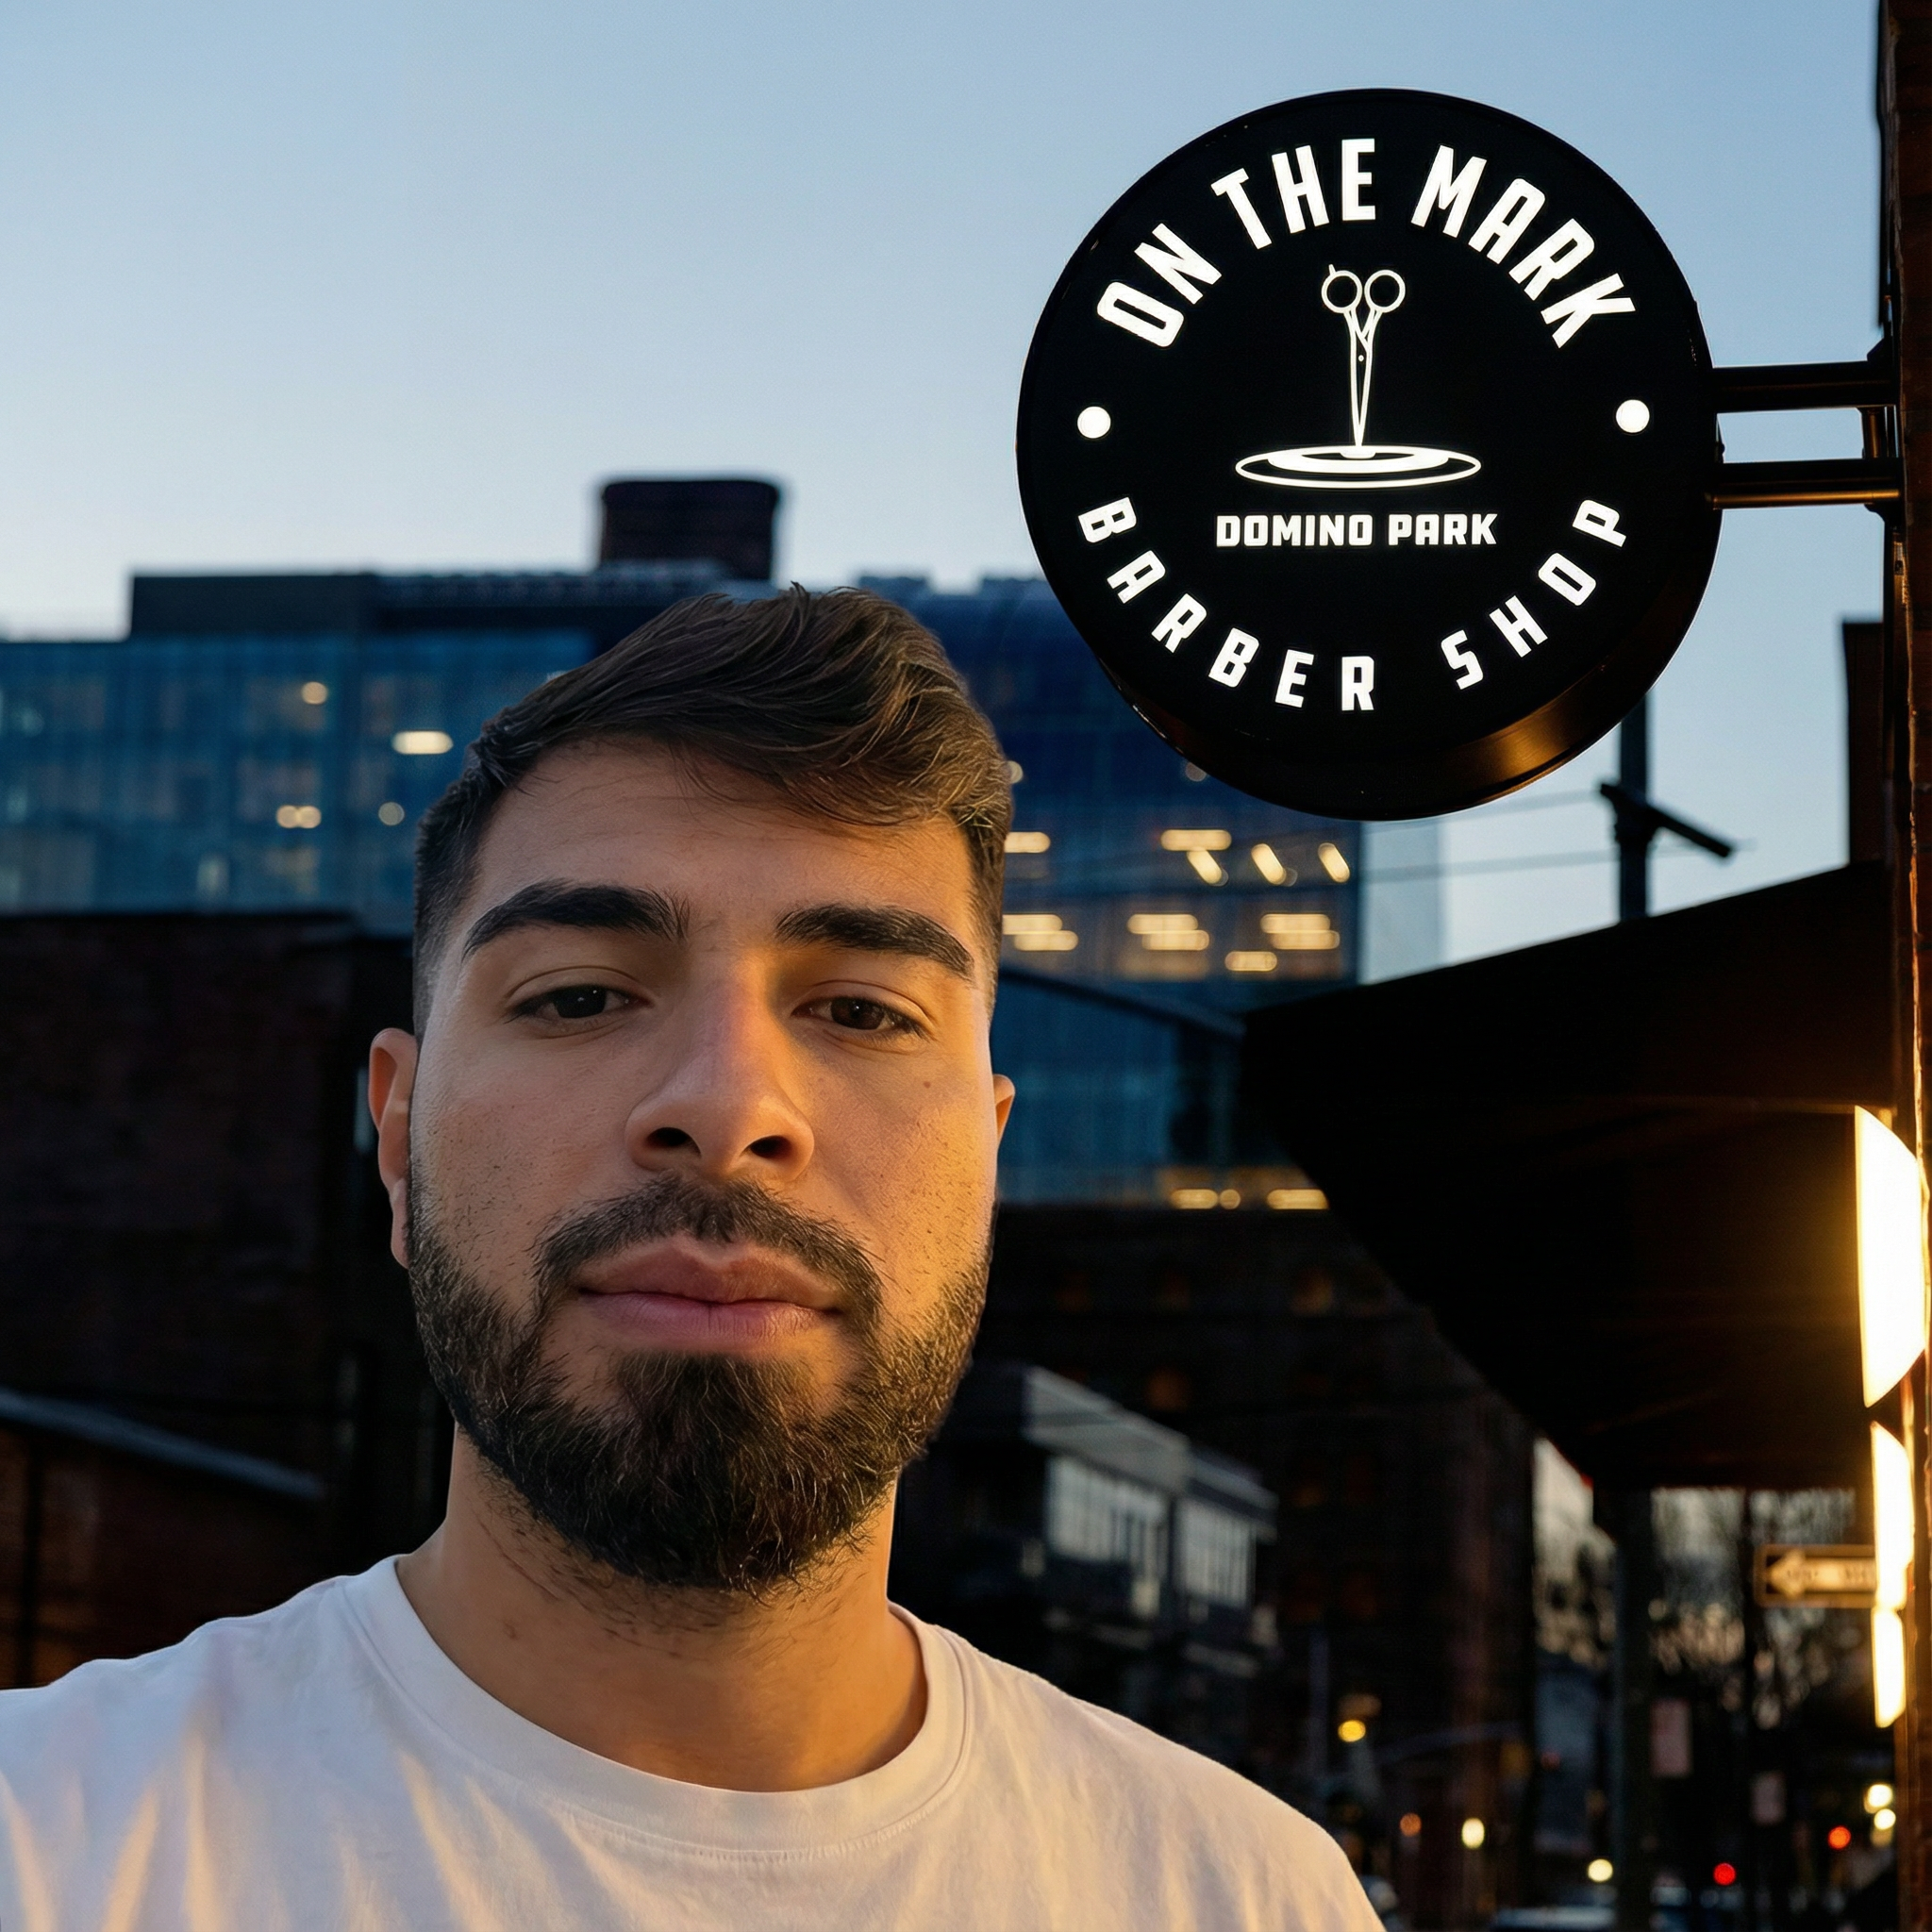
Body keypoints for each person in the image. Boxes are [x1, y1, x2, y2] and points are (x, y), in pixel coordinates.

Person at [0, 590, 1379, 1931]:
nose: (728, 1107)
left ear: (989, 1163)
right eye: (581, 995)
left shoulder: (1245, 1897)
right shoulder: (47, 1841)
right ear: (400, 1138)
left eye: (861, 1008)